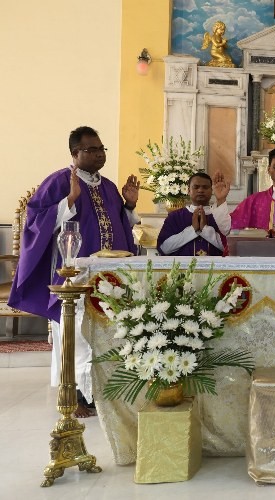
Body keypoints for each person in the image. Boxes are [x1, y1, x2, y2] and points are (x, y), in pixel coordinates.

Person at [9, 126, 140, 416]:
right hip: (74, 275)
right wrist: (68, 200)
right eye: (91, 149)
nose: (99, 154)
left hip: (108, 275)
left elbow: (120, 224)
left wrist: (129, 204)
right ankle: (77, 394)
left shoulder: (107, 186)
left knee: (108, 333)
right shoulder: (59, 181)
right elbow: (35, 221)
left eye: (101, 148)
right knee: (77, 335)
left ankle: (103, 391)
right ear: (75, 153)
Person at [157, 172, 231, 256]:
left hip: (216, 267)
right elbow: (164, 248)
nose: (200, 190)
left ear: (211, 191)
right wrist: (192, 230)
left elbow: (230, 247)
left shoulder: (221, 216)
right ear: (188, 191)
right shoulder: (175, 217)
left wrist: (206, 230)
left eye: (205, 187)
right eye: (196, 187)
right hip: (183, 268)